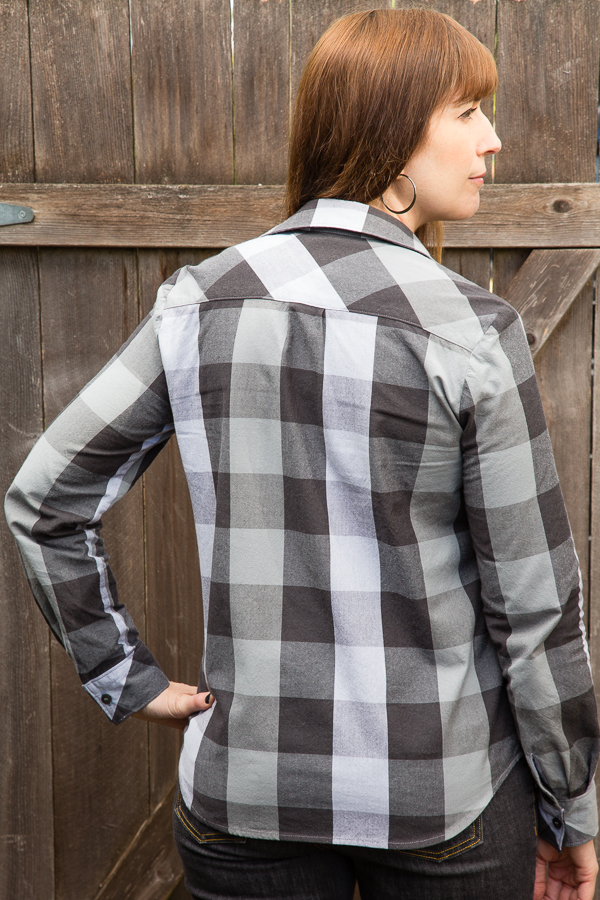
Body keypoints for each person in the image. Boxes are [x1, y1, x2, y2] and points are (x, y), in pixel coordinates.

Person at [5, 8, 600, 900]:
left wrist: (124, 675)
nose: (494, 139)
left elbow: (44, 499)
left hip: (246, 796)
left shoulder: (196, 303)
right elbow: (536, 606)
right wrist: (572, 806)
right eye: (468, 111)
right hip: (441, 798)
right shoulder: (469, 331)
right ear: (394, 133)